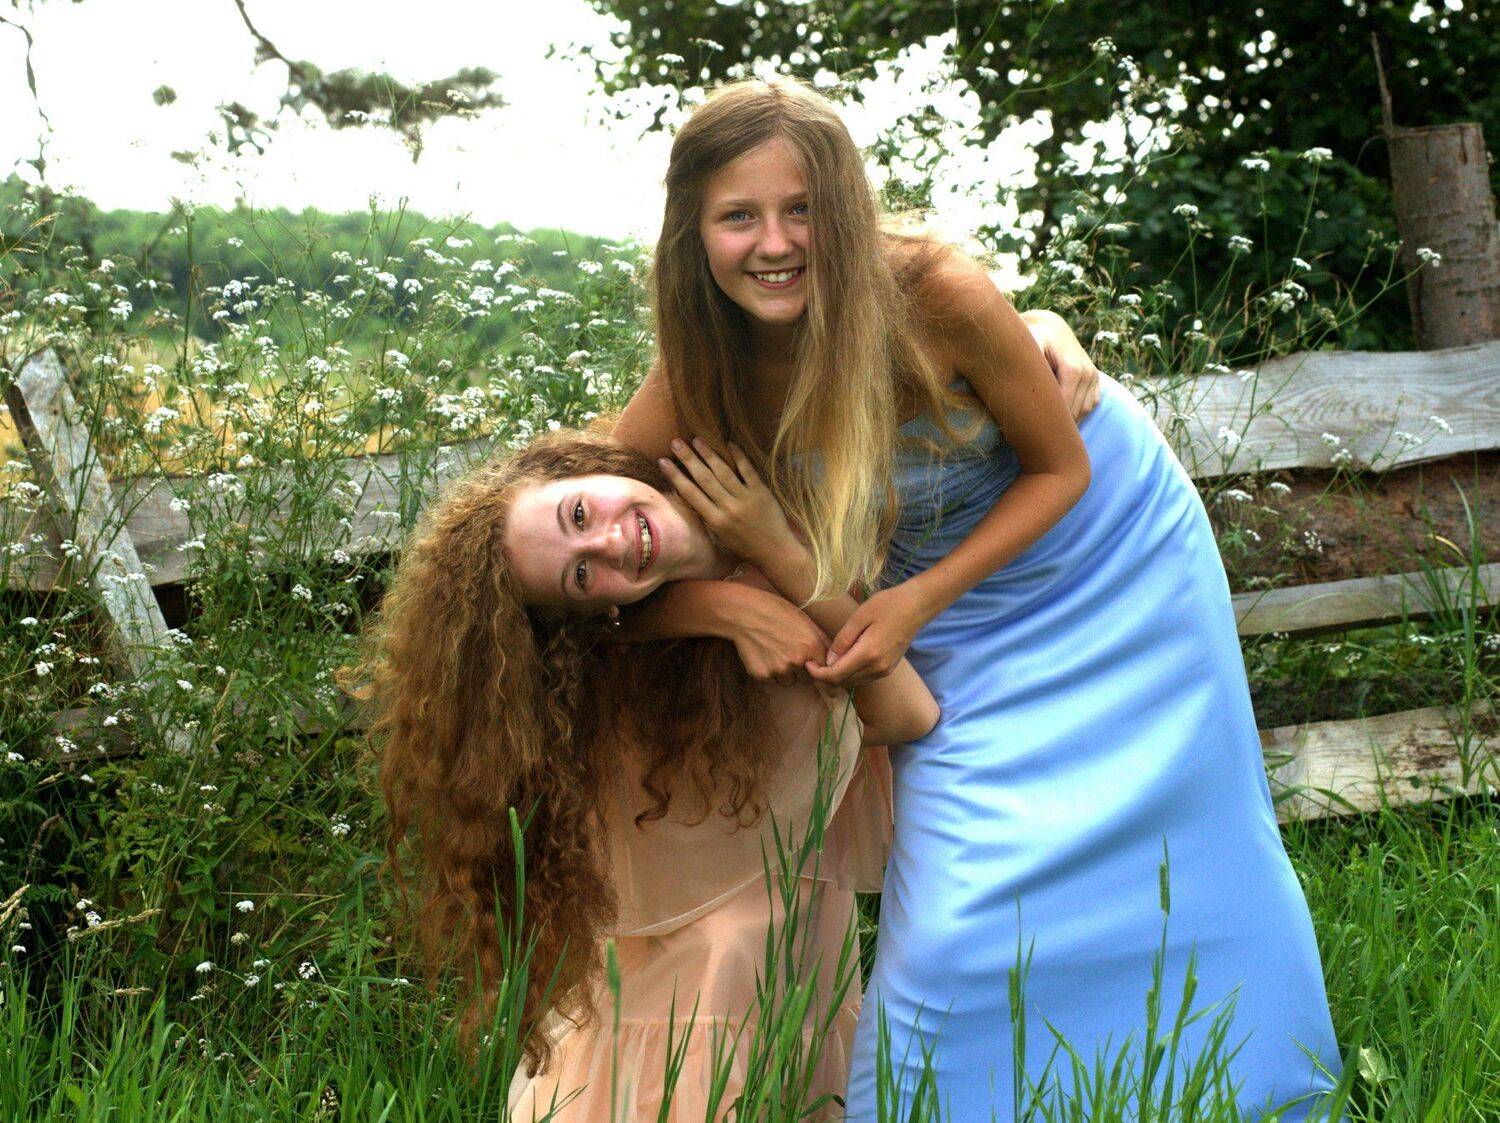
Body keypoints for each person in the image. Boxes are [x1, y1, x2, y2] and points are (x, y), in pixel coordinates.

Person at [610, 78, 1341, 1119]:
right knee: (955, 918)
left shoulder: (933, 296)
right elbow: (573, 545)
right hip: (942, 611)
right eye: (739, 216)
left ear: (845, 210)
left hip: (1108, 566)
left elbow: (1062, 468)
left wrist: (913, 604)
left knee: (1191, 851)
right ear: (692, 230)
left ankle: (1244, 1091)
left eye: (802, 209)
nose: (775, 243)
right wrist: (725, 607)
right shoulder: (700, 369)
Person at [356, 429, 936, 1121]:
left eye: (578, 512)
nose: (606, 542)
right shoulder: (634, 655)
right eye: (580, 574)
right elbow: (907, 710)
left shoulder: (737, 469)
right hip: (715, 973)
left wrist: (769, 552)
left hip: (780, 947)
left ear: (581, 464)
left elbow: (903, 710)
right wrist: (730, 606)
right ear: (594, 612)